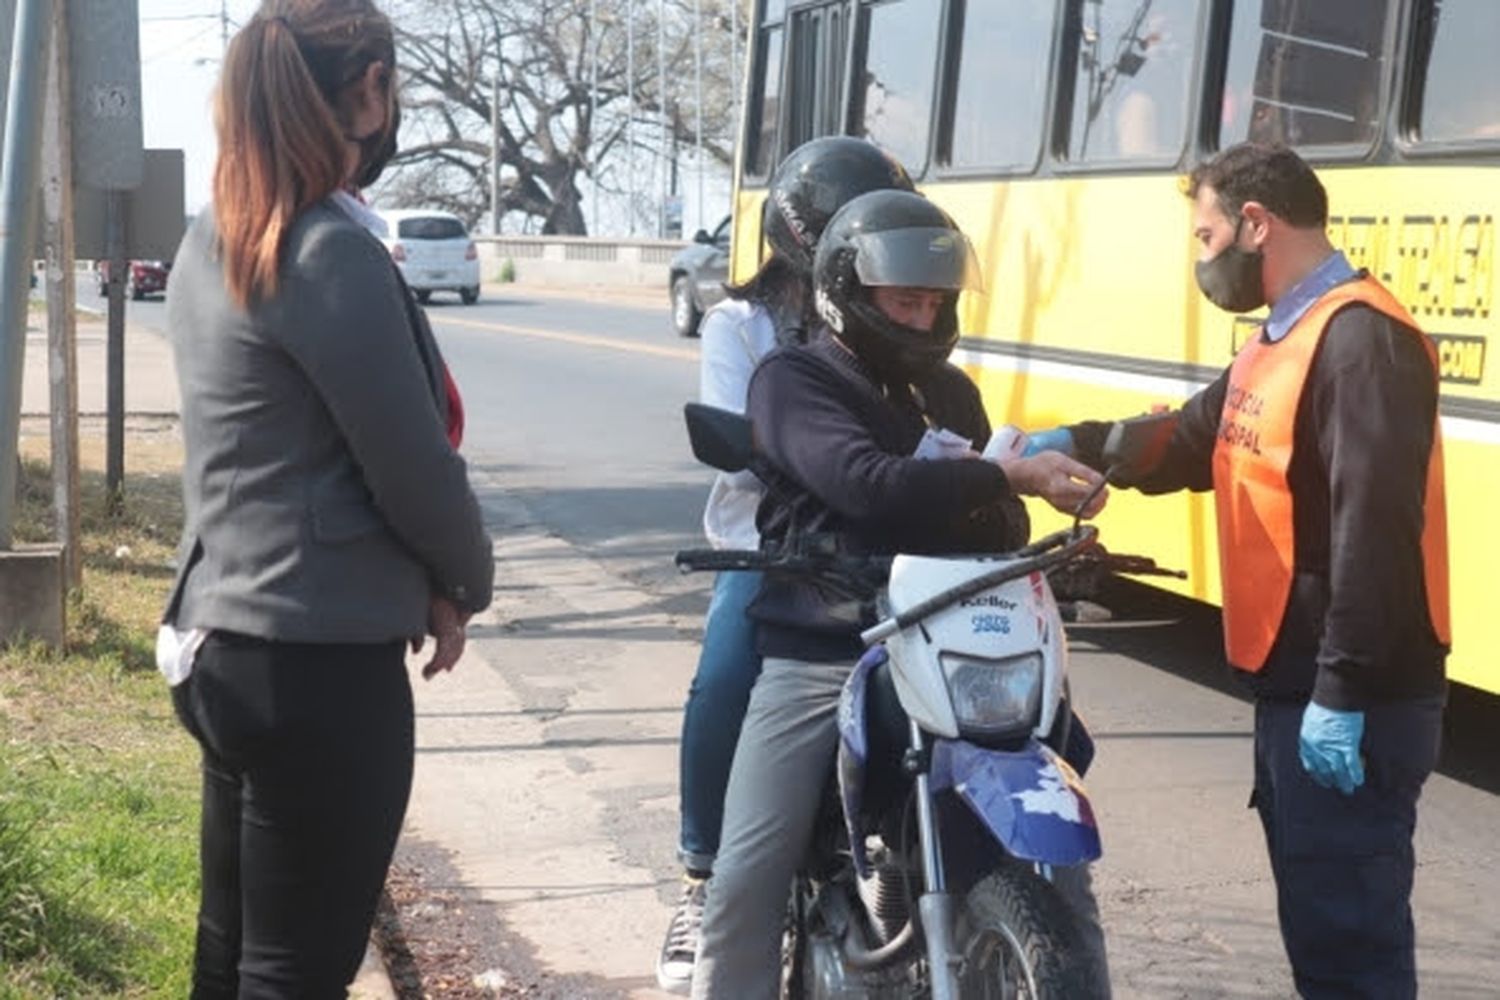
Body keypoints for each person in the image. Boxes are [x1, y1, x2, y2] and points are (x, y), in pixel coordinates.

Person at [690, 189, 1111, 999]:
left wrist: (1019, 508)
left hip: (948, 638)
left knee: (1064, 851)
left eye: (932, 301)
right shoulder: (792, 380)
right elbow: (864, 485)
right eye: (902, 300)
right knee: (746, 872)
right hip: (827, 646)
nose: (920, 318)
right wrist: (997, 474)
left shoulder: (947, 391)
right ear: (849, 294)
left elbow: (994, 508)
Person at [1058, 142, 1449, 998]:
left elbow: (1375, 536)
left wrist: (1341, 693)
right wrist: (1078, 447)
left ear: (1255, 224)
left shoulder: (1360, 341)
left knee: (1354, 949)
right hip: (1296, 685)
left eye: (1205, 236)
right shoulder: (1283, 338)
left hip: (1353, 698)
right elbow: (1193, 438)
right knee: (1322, 934)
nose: (1203, 258)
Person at [159, 2, 494, 995]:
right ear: (365, 91)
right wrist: (465, 579)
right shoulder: (328, 252)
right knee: (299, 970)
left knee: (232, 952)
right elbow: (413, 467)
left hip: (223, 644)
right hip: (319, 667)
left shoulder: (212, 237)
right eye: (388, 86)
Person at [657, 136, 915, 992]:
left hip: (875, 544)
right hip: (770, 545)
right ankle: (701, 870)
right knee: (727, 670)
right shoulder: (743, 325)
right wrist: (819, 455)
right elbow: (744, 448)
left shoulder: (891, 320)